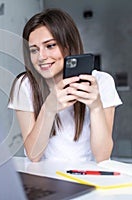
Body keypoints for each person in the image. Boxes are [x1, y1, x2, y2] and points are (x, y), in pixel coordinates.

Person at [8, 8, 122, 162]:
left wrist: (96, 107)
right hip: (45, 176)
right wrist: (48, 109)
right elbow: (33, 155)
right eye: (34, 50)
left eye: (50, 46)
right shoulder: (25, 85)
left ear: (67, 46)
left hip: (86, 176)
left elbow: (102, 156)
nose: (41, 57)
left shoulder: (102, 82)